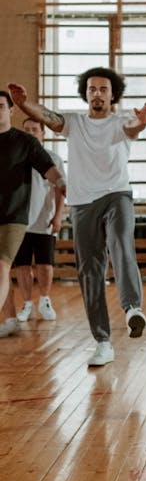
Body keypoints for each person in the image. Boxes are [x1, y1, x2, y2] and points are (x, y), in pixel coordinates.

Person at [8, 69, 146, 367]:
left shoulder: (120, 121)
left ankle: (132, 309)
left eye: (103, 89)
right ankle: (102, 341)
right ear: (85, 93)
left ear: (113, 94)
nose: (97, 93)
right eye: (92, 89)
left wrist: (141, 122)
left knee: (120, 244)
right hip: (82, 203)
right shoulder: (74, 123)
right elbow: (48, 116)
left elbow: (131, 129)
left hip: (117, 195)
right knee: (90, 271)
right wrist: (23, 104)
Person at [0, 91, 66, 338]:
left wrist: (61, 183)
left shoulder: (25, 143)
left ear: (10, 110)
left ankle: (42, 300)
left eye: (0, 107)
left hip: (16, 215)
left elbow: (50, 169)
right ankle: (10, 317)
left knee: (5, 266)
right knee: (8, 269)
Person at [13, 118, 66, 323]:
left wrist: (58, 215)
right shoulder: (15, 158)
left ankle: (44, 300)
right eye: (27, 130)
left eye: (35, 130)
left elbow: (61, 188)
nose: (31, 133)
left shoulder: (53, 158)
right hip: (19, 221)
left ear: (43, 134)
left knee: (45, 264)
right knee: (22, 265)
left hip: (44, 220)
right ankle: (27, 303)